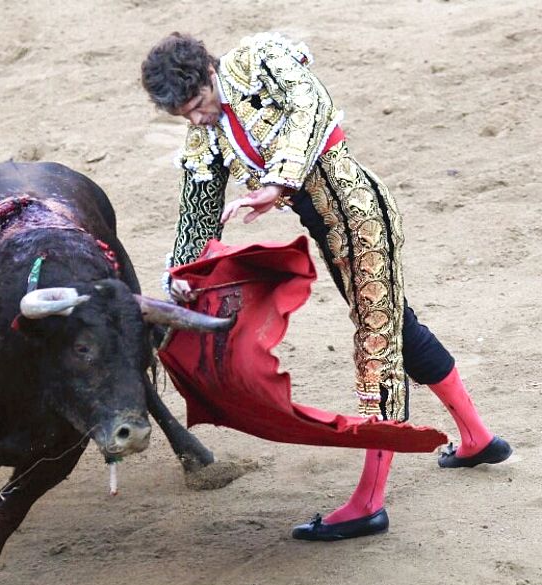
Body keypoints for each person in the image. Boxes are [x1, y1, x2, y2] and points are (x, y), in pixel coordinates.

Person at [141, 31, 512, 540]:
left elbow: (311, 106)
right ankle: (476, 437)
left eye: (198, 105)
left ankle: (368, 503)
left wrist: (277, 184)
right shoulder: (207, 134)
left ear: (209, 73)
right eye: (185, 115)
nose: (197, 119)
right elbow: (198, 211)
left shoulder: (260, 59)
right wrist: (180, 279)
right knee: (398, 328)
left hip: (361, 213)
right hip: (330, 227)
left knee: (378, 341)